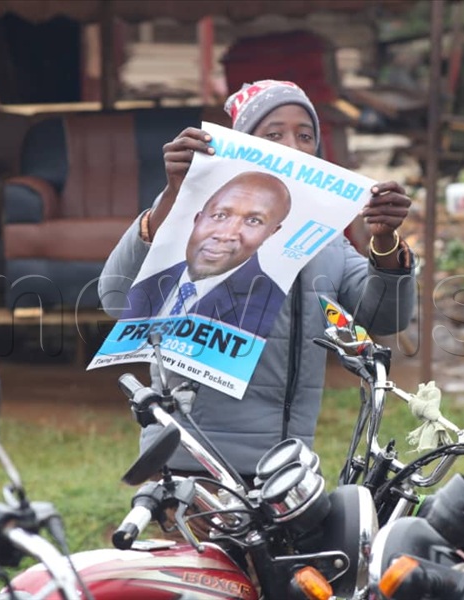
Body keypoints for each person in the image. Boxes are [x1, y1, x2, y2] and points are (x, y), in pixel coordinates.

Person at [99, 79, 416, 479]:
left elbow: (385, 319)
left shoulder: (328, 243)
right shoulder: (196, 223)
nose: (293, 146)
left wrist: (385, 241)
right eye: (273, 134)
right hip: (192, 464)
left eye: (305, 136)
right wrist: (169, 201)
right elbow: (116, 298)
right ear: (243, 146)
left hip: (286, 472)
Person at [122, 171, 290, 338]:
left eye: (253, 221)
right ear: (198, 219)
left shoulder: (272, 304)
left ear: (271, 232)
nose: (225, 234)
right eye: (219, 215)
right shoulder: (151, 281)